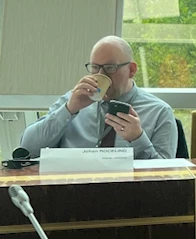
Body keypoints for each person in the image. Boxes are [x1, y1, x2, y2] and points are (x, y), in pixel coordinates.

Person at [20, 36, 177, 160]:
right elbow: (28, 149)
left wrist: (137, 139)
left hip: (128, 191)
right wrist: (69, 109)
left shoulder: (159, 112)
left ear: (131, 70)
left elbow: (166, 177)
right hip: (73, 188)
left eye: (110, 67)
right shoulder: (73, 100)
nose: (101, 75)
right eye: (95, 67)